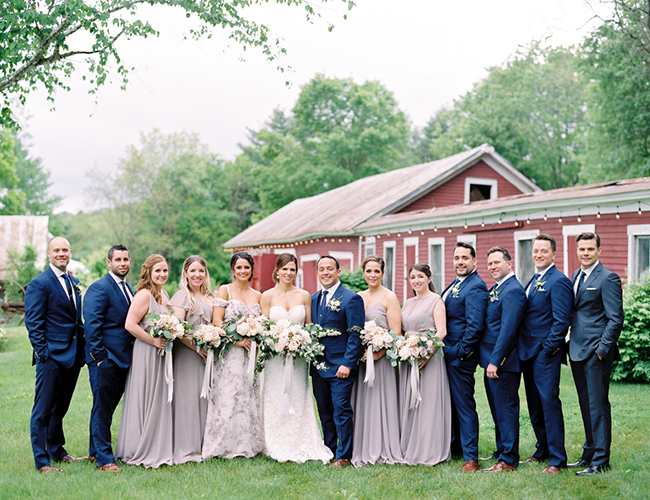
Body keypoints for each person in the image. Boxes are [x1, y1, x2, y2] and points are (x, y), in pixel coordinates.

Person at [260, 253, 333, 463]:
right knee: (275, 395)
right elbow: (264, 329)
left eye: (292, 269)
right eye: (285, 269)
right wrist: (278, 343)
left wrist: (300, 342)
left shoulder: (304, 295)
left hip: (299, 357)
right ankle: (274, 441)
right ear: (277, 270)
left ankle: (301, 440)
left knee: (298, 395)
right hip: (275, 358)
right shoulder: (267, 296)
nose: (288, 273)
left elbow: (309, 327)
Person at [25, 236, 85, 474]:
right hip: (50, 357)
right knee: (42, 410)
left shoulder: (73, 281)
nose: (61, 253)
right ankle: (42, 461)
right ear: (49, 253)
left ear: (70, 252)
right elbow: (33, 322)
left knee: (60, 408)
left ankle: (57, 451)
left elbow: (75, 320)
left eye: (65, 249)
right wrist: (43, 353)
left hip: (73, 356)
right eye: (56, 250)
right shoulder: (40, 284)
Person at [568, 232, 623, 476]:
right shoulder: (576, 276)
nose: (586, 253)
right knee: (585, 404)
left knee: (598, 406)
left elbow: (615, 319)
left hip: (595, 354)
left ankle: (601, 461)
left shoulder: (608, 278)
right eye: (582, 249)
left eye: (590, 249)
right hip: (577, 351)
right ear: (577, 251)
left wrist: (601, 351)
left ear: (599, 250)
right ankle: (589, 453)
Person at [519, 234, 573, 475]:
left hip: (545, 353)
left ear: (554, 254)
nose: (538, 255)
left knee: (549, 403)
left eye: (543, 251)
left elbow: (562, 321)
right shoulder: (534, 279)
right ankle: (542, 449)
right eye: (535, 250)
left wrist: (547, 349)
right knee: (534, 404)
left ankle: (558, 458)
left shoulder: (558, 280)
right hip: (527, 352)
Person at [202, 251, 263, 460]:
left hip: (250, 354)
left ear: (252, 269)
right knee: (228, 395)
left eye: (247, 267)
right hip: (230, 353)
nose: (243, 271)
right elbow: (217, 322)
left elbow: (262, 324)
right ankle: (222, 444)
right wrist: (237, 339)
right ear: (233, 270)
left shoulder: (258, 295)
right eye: (239, 267)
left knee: (248, 395)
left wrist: (254, 334)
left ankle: (246, 443)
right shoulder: (224, 290)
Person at [115, 254, 174, 468]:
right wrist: (153, 340)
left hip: (162, 352)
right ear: (148, 272)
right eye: (157, 270)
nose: (162, 274)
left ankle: (157, 443)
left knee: (159, 396)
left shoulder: (165, 294)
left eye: (165, 270)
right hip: (147, 351)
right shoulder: (144, 294)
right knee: (146, 394)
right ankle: (137, 446)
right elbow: (130, 324)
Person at [310, 255, 365, 468]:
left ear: (338, 272)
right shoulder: (314, 299)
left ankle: (344, 455)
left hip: (340, 367)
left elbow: (355, 334)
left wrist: (347, 363)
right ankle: (329, 450)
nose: (326, 272)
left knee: (341, 410)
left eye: (330, 269)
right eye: (322, 269)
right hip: (318, 367)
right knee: (324, 411)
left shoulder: (351, 298)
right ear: (317, 273)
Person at [84, 244, 134, 472]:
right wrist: (99, 358)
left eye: (126, 259)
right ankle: (105, 459)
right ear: (109, 262)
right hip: (105, 359)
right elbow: (91, 326)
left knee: (105, 408)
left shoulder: (130, 289)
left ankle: (95, 451)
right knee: (103, 408)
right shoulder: (99, 288)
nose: (122, 263)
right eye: (118, 260)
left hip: (124, 358)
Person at [351, 255, 404, 466]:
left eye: (377, 271)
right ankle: (360, 445)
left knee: (381, 402)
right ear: (363, 272)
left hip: (381, 362)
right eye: (368, 271)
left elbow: (396, 333)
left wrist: (378, 353)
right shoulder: (356, 297)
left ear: (383, 273)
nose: (372, 275)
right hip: (361, 360)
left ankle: (383, 446)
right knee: (362, 402)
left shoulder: (389, 297)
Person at [441, 242, 488, 472]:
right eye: (457, 257)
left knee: (465, 405)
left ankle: (471, 457)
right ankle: (456, 447)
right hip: (447, 353)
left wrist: (460, 352)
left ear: (474, 261)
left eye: (465, 258)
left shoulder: (476, 286)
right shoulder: (457, 283)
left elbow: (475, 325)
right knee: (451, 404)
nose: (460, 261)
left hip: (459, 357)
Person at [399, 263, 452, 466]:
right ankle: (409, 446)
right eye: (413, 277)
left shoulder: (436, 300)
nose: (416, 281)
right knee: (411, 401)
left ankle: (429, 449)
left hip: (430, 356)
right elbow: (404, 330)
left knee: (428, 402)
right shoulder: (409, 302)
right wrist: (406, 347)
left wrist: (426, 353)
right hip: (409, 356)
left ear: (429, 278)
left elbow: (442, 331)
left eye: (420, 276)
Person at [479, 247, 526, 473]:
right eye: (490, 263)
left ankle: (509, 459)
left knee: (506, 409)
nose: (493, 267)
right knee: (497, 409)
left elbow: (508, 329)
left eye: (497, 262)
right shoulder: (499, 288)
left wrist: (496, 361)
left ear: (509, 263)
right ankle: (501, 451)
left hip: (503, 363)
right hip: (490, 360)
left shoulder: (514, 290)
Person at [169, 255, 212, 464]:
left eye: (201, 271)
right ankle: (187, 447)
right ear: (185, 273)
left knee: (205, 398)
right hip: (187, 355)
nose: (197, 275)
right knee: (188, 399)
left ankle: (206, 444)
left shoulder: (210, 297)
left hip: (208, 356)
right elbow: (177, 328)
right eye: (193, 271)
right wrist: (196, 347)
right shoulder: (181, 296)